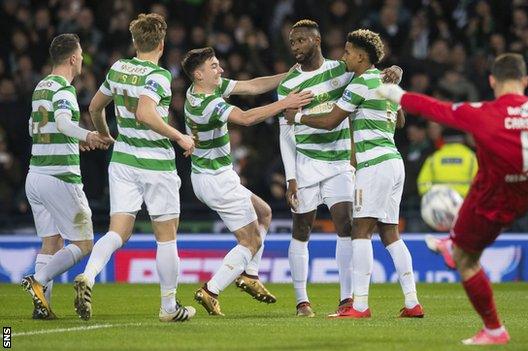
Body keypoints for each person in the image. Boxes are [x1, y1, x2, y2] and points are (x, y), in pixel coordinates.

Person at [377, 53, 528, 345]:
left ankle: (493, 329)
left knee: (465, 261)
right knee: (484, 177)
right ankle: (454, 240)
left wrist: (398, 95)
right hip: (527, 195)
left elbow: (438, 110)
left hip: (493, 197)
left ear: (492, 81)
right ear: (526, 81)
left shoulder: (483, 113)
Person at [285, 29, 423, 318]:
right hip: (394, 162)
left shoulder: (359, 84)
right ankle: (412, 302)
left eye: (348, 52)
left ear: (361, 56)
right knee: (390, 232)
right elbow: (400, 120)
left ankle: (359, 305)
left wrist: (296, 116)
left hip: (372, 166)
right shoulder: (385, 82)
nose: (344, 56)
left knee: (359, 231)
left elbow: (330, 121)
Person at [73, 13, 197, 323]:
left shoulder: (118, 68)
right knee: (166, 236)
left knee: (117, 232)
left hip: (124, 160)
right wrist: (179, 135)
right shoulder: (159, 75)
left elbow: (94, 107)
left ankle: (88, 276)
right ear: (162, 43)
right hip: (155, 163)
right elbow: (146, 112)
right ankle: (169, 307)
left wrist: (103, 133)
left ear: (134, 41)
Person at [181, 47, 313, 316]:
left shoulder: (206, 89)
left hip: (213, 175)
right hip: (215, 179)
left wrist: (289, 75)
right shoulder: (207, 103)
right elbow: (246, 117)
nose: (221, 70)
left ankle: (250, 275)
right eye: (214, 66)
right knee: (250, 240)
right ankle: (211, 290)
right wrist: (284, 102)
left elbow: (252, 87)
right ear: (199, 74)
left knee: (264, 212)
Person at [21, 33, 112, 320]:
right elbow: (61, 122)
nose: (83, 58)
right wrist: (89, 135)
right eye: (81, 54)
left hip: (35, 174)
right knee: (84, 243)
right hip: (60, 176)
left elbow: (33, 128)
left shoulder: (40, 87)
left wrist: (75, 140)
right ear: (73, 58)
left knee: (52, 242)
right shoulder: (63, 88)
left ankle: (42, 306)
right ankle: (37, 280)